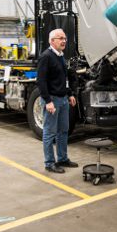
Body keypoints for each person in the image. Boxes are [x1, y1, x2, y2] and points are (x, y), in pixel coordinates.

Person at [37, 28, 78, 173]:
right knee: (49, 132)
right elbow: (41, 81)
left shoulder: (60, 56)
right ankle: (49, 163)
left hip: (63, 99)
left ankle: (62, 159)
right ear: (52, 41)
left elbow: (63, 79)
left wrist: (70, 93)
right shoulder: (46, 57)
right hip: (52, 100)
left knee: (63, 131)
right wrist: (48, 101)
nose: (64, 41)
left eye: (65, 38)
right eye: (60, 38)